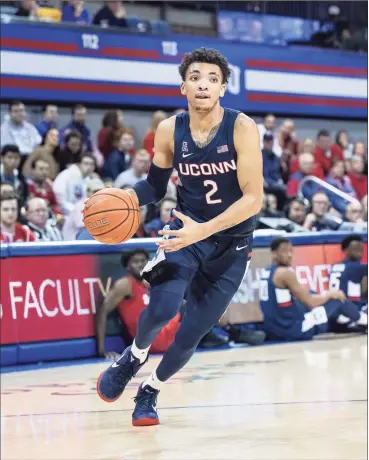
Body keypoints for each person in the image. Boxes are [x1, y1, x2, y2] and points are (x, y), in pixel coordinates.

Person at [93, 47, 263, 426]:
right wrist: (124, 199)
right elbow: (155, 185)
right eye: (197, 77)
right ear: (183, 85)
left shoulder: (242, 127)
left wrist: (205, 230)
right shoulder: (170, 129)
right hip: (185, 231)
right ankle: (133, 356)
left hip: (232, 244)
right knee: (165, 308)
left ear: (223, 89)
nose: (204, 84)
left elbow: (254, 198)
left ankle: (150, 390)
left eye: (213, 79)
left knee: (190, 335)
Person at [259, 238, 367, 342]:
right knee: (338, 299)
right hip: (293, 331)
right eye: (285, 252)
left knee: (312, 294)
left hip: (274, 331)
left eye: (291, 251)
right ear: (274, 254)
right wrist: (329, 294)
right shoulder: (285, 273)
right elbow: (310, 301)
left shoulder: (265, 271)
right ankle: (363, 320)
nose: (290, 255)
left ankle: (345, 319)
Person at [96, 249, 181, 359]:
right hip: (153, 342)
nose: (140, 265)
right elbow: (102, 312)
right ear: (127, 267)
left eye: (143, 261)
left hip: (169, 337)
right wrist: (101, 350)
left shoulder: (147, 284)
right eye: (135, 262)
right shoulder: (125, 284)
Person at [329, 235, 367, 313]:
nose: (359, 251)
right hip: (352, 312)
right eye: (356, 249)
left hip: (334, 311)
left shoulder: (334, 266)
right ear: (345, 250)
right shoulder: (360, 268)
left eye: (361, 249)